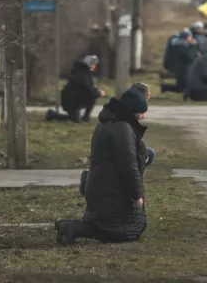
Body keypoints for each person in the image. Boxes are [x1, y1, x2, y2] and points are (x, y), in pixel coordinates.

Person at [55, 86, 149, 246]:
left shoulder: (107, 123)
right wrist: (137, 195)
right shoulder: (122, 128)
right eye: (141, 112)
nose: (143, 116)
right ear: (132, 111)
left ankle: (72, 227)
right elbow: (128, 166)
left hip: (100, 190)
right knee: (131, 230)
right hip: (109, 193)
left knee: (124, 227)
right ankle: (73, 228)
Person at [46, 55, 106, 123]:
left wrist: (97, 91)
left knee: (93, 97)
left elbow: (88, 88)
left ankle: (85, 117)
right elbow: (87, 88)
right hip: (70, 100)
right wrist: (99, 92)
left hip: (76, 98)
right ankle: (52, 114)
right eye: (92, 64)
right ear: (88, 64)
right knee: (75, 119)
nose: (94, 66)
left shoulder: (85, 73)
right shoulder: (82, 74)